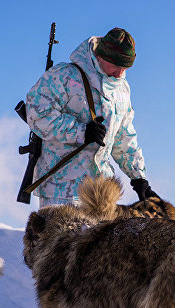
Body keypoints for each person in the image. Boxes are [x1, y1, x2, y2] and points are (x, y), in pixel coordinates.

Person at [25, 27, 158, 207]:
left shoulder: (122, 90)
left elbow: (123, 135)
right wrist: (81, 132)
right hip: (62, 191)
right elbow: (37, 114)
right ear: (101, 56)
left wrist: (138, 178)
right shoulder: (64, 76)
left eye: (125, 68)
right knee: (63, 236)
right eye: (116, 66)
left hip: (101, 192)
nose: (120, 73)